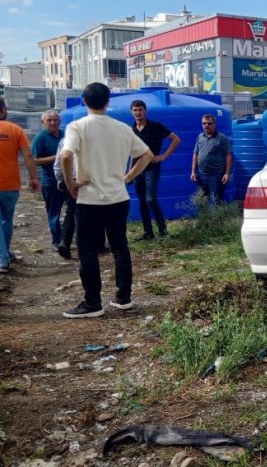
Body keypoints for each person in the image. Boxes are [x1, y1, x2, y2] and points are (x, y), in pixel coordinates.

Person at [61, 83, 154, 318]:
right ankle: (123, 298)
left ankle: (93, 303)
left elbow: (65, 155)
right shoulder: (123, 128)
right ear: (108, 101)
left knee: (88, 251)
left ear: (84, 101)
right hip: (118, 197)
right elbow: (147, 155)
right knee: (120, 248)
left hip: (89, 200)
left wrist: (70, 183)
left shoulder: (77, 126)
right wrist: (128, 177)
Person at [130, 99, 181, 240]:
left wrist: (164, 156)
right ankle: (148, 232)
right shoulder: (131, 130)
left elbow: (176, 139)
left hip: (152, 168)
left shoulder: (156, 127)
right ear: (131, 112)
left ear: (145, 111)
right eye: (135, 110)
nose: (138, 113)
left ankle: (163, 231)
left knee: (151, 199)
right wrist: (130, 172)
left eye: (140, 110)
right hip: (137, 170)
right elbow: (131, 153)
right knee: (142, 202)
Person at [0, 98, 40, 273]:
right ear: (3, 110)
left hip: (9, 184)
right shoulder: (15, 130)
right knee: (6, 220)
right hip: (10, 184)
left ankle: (3, 258)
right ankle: (4, 254)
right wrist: (33, 178)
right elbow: (28, 156)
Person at [31, 110, 65, 252]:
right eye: (49, 120)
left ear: (60, 121)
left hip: (69, 178)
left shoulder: (65, 135)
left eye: (55, 120)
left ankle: (67, 238)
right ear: (43, 122)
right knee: (54, 212)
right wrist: (57, 157)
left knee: (74, 211)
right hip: (51, 181)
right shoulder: (40, 138)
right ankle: (56, 241)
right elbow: (34, 161)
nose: (53, 123)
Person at [190, 113, 232, 205]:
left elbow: (228, 155)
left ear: (215, 124)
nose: (206, 125)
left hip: (217, 175)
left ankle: (219, 218)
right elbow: (195, 154)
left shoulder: (222, 138)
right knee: (202, 200)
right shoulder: (200, 137)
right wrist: (193, 171)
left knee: (218, 200)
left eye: (209, 123)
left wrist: (227, 173)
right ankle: (205, 219)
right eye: (204, 123)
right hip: (202, 175)